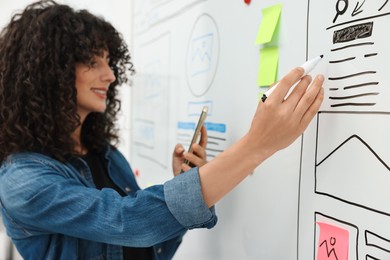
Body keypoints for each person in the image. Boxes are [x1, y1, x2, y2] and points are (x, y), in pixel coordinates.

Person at [0, 0, 324, 259]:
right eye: (94, 62)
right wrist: (257, 145)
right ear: (50, 72)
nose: (111, 76)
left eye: (109, 62)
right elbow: (131, 221)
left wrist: (186, 184)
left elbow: (149, 247)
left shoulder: (104, 153)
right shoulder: (22, 181)